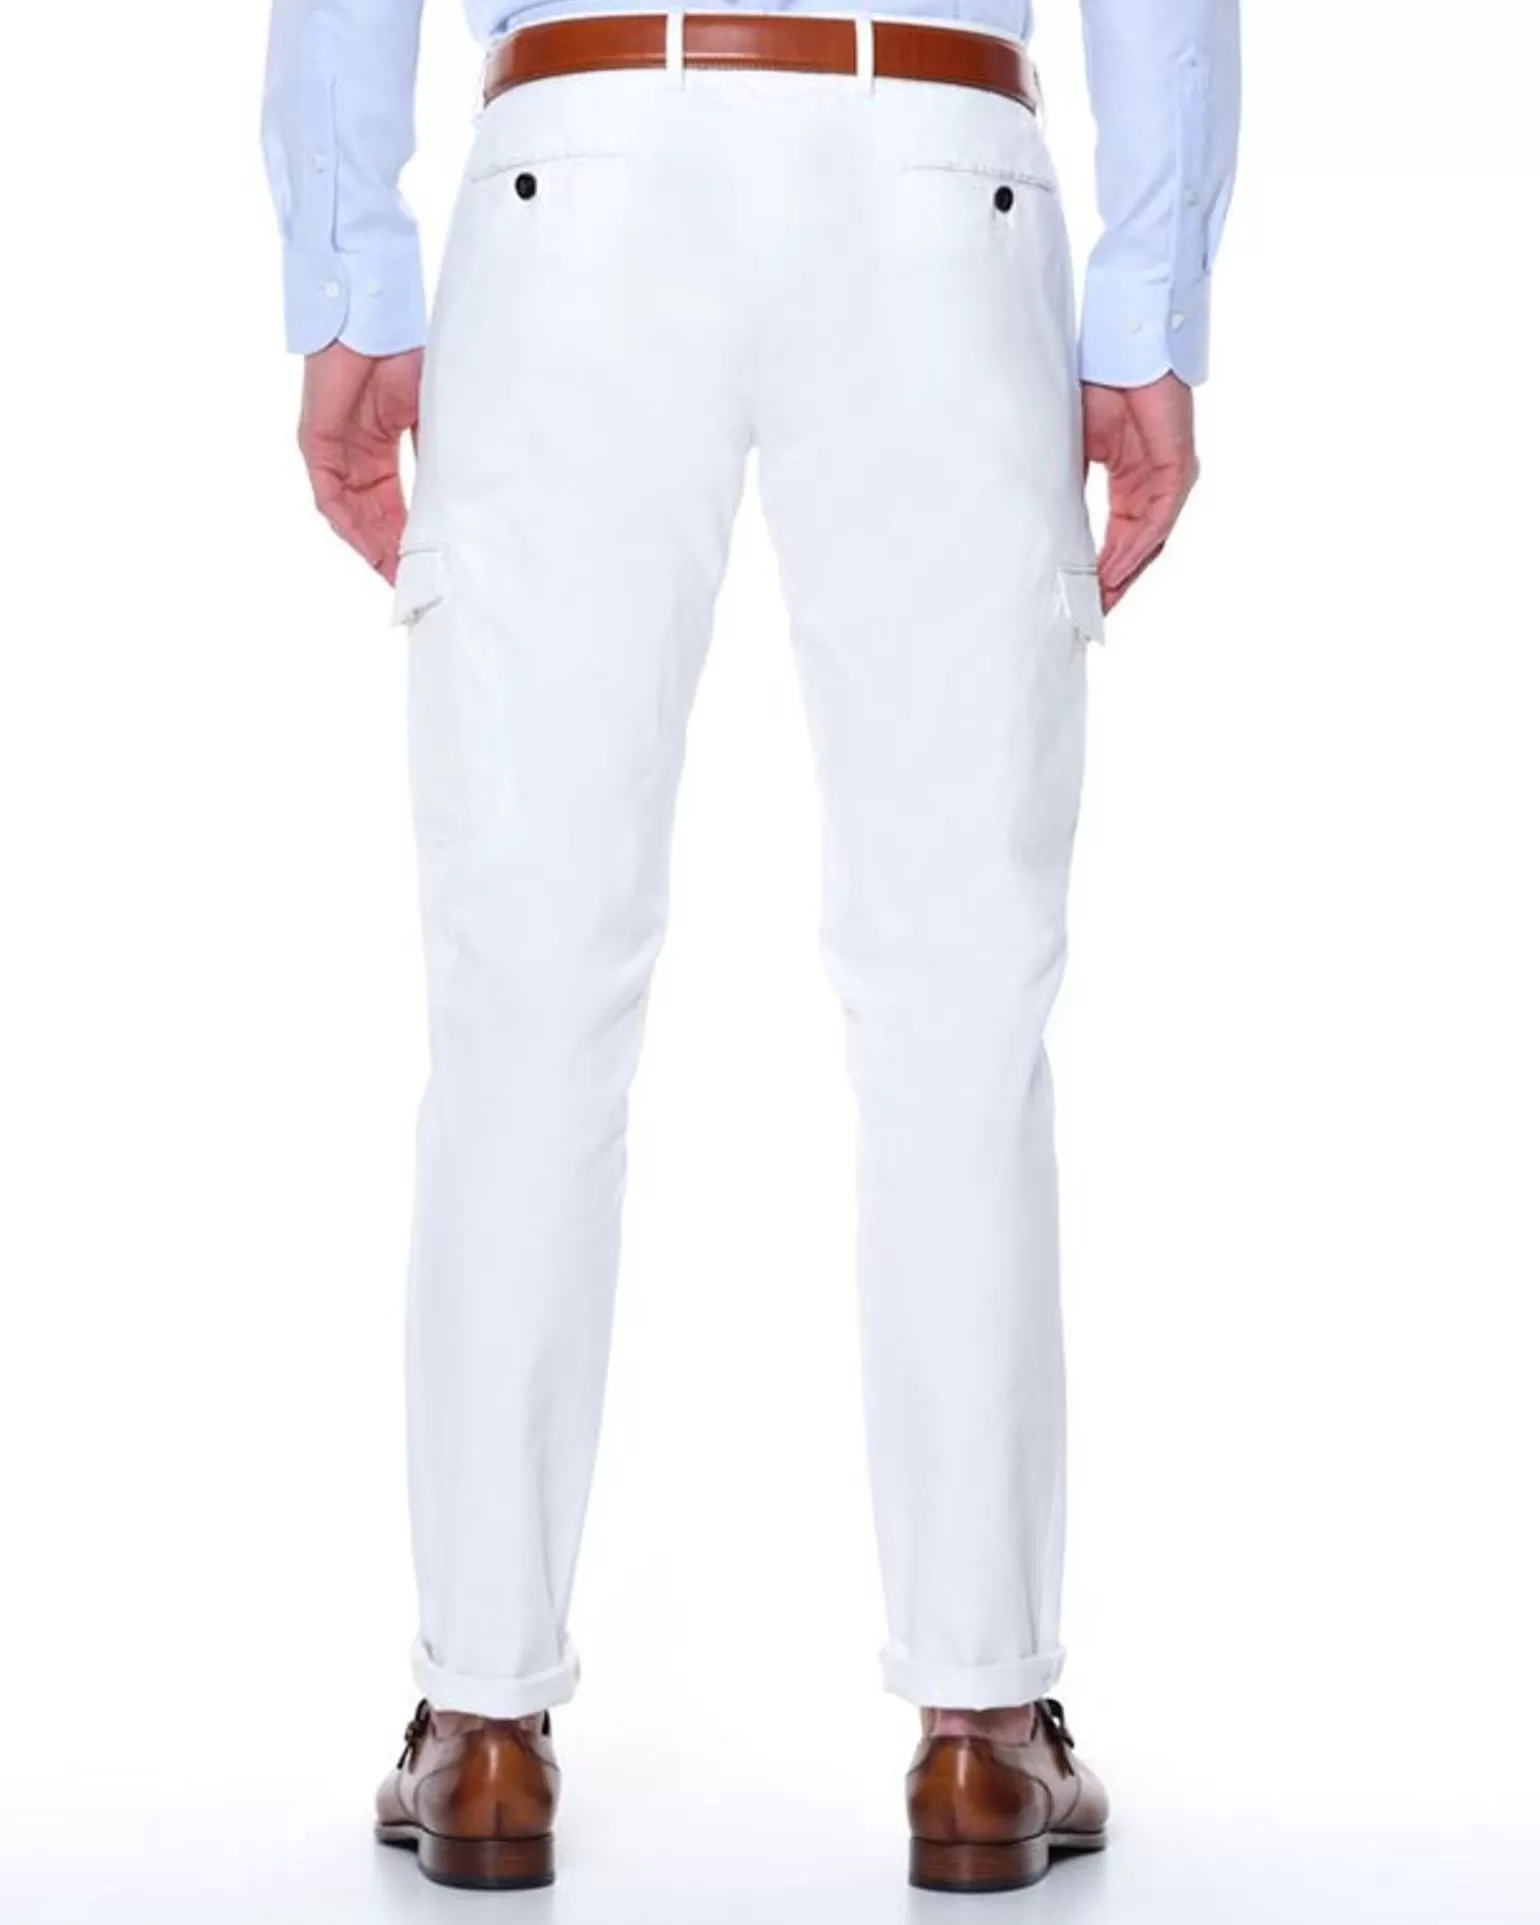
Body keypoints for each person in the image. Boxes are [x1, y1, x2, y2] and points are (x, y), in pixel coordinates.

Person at [262, 0, 1239, 1894]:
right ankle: (980, 1728)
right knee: (956, 1001)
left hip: (583, 157)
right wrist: (1149, 304)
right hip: (933, 163)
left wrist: (351, 269)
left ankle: (482, 1725)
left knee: (526, 985)